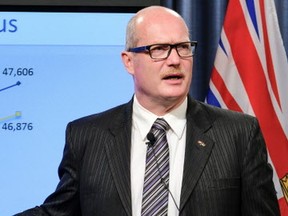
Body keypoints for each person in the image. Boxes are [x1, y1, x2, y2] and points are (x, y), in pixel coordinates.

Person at [15, 5, 280, 216]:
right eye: (159, 49)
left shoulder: (238, 133)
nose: (175, 60)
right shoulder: (86, 136)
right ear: (128, 62)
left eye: (183, 48)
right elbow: (58, 212)